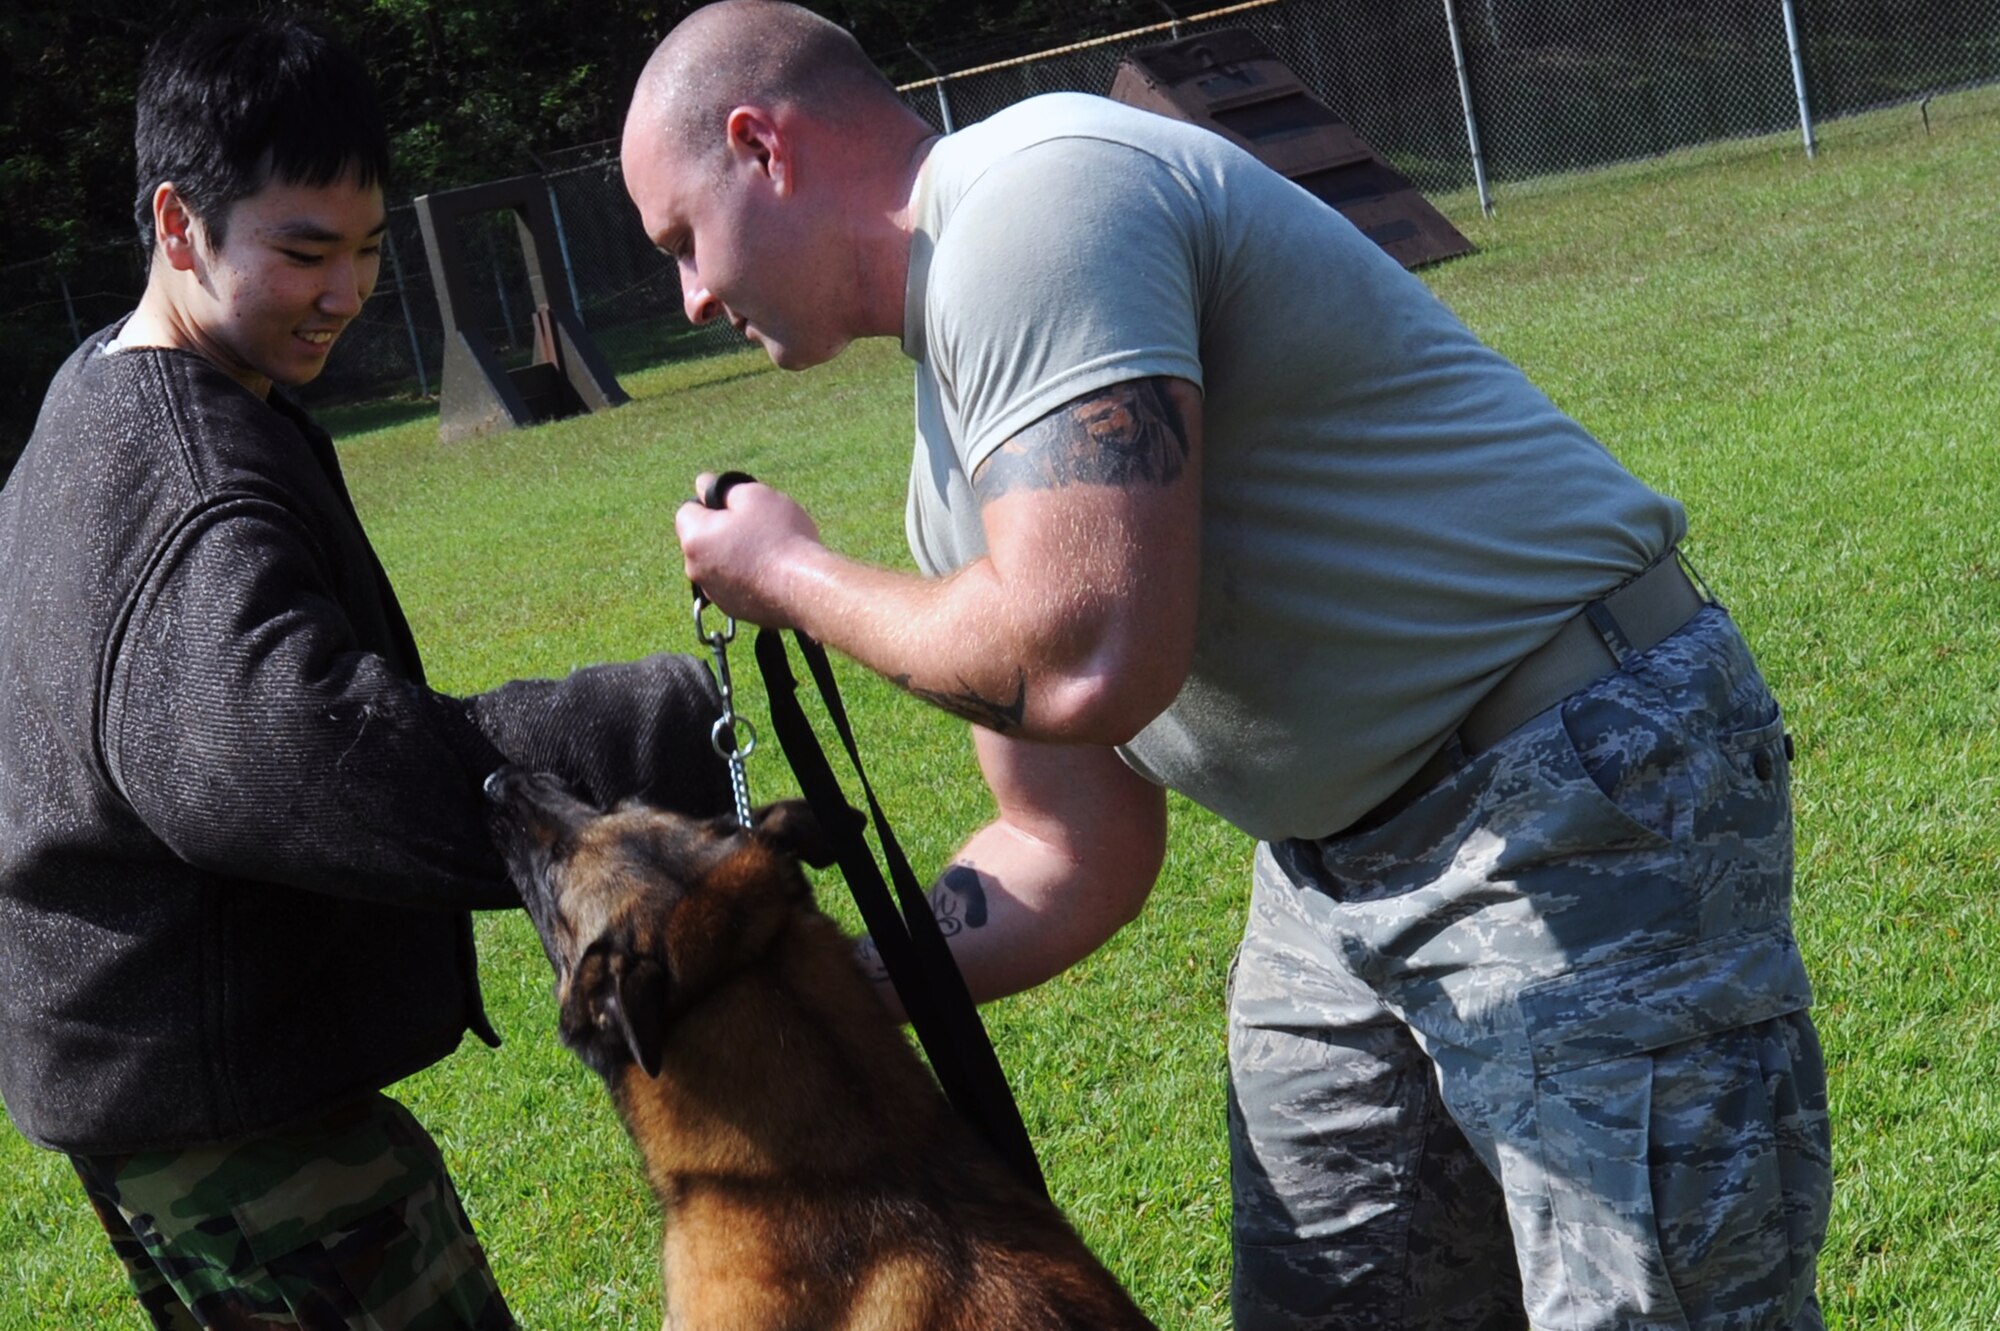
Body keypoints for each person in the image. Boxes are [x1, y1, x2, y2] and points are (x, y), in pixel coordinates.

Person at [632, 2, 1834, 1328]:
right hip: (1329, 881)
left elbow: (1085, 658)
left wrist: (789, 579)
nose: (692, 299)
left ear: (761, 145)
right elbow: (1064, 850)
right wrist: (820, 994)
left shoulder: (1039, 194)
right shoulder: (950, 473)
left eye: (682, 240)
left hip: (1568, 793)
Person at [0, 17, 730, 1330]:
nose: (344, 291)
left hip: (154, 1099)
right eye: (303, 251)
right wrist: (655, 727)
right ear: (179, 226)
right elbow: (290, 758)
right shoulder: (189, 473)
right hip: (240, 1126)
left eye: (367, 251)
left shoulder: (103, 390)